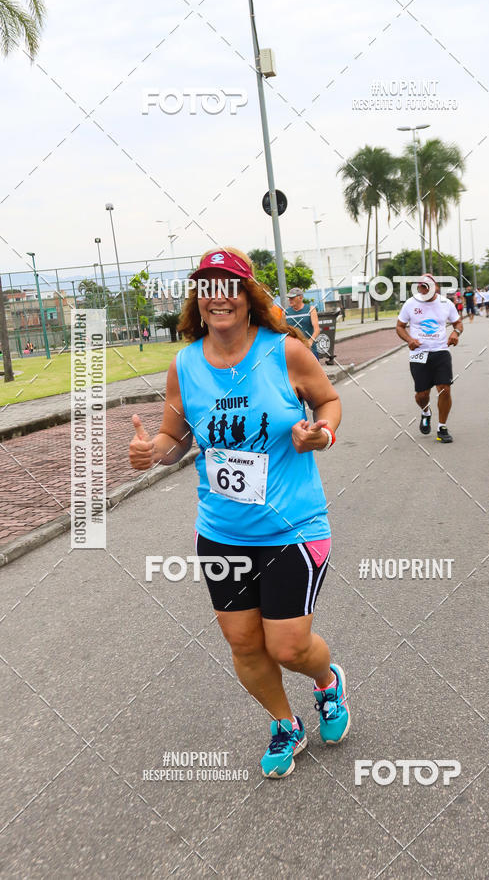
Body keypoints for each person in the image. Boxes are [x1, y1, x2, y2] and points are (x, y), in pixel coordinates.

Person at [128, 247, 349, 779]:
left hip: (292, 526)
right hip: (222, 532)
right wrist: (151, 451)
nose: (218, 295)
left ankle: (328, 683)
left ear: (248, 297)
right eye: (207, 286)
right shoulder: (185, 364)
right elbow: (175, 437)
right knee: (245, 643)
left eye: (229, 284)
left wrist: (320, 433)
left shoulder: (286, 351)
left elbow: (328, 402)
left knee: (289, 646)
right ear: (199, 301)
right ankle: (285, 723)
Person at [396, 274, 463, 443]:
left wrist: (456, 333)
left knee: (444, 388)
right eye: (421, 287)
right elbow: (400, 326)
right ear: (418, 288)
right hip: (419, 353)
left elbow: (458, 323)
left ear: (436, 288)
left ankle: (442, 427)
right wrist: (409, 339)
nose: (424, 290)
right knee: (421, 394)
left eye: (428, 287)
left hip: (440, 351)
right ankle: (425, 412)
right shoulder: (410, 303)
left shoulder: (446, 303)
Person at [285, 288, 320, 357]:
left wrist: (310, 341)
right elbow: (283, 332)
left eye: (292, 298)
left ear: (300, 298)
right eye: (289, 298)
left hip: (310, 350)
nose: (289, 300)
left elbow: (317, 330)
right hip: (293, 352)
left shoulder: (311, 309)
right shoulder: (285, 312)